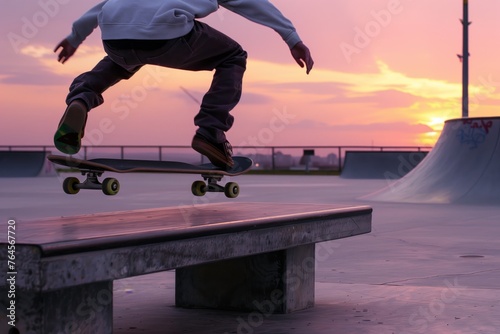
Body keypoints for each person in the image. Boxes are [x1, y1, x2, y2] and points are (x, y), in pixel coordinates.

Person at [54, 0, 314, 168]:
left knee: (126, 56)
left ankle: (81, 98)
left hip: (114, 33)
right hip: (168, 33)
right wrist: (291, 37)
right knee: (233, 56)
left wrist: (74, 37)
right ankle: (210, 131)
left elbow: (103, 6)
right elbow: (251, 3)